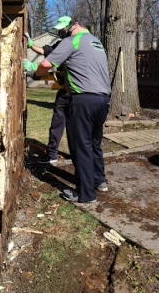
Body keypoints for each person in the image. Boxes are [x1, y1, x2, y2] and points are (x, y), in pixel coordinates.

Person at [24, 15, 111, 203]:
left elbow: (46, 64)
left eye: (67, 28)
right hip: (103, 100)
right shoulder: (96, 43)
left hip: (83, 100)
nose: (64, 31)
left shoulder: (73, 40)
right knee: (94, 143)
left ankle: (86, 193)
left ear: (76, 24)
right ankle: (99, 180)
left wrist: (34, 70)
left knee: (81, 146)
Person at [24, 20, 71, 165]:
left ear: (70, 27)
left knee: (74, 127)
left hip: (75, 93)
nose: (59, 32)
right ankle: (52, 155)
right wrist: (31, 45)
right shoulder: (61, 44)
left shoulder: (73, 45)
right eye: (58, 30)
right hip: (64, 92)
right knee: (57, 125)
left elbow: (48, 63)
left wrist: (35, 68)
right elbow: (46, 51)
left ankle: (75, 156)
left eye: (61, 29)